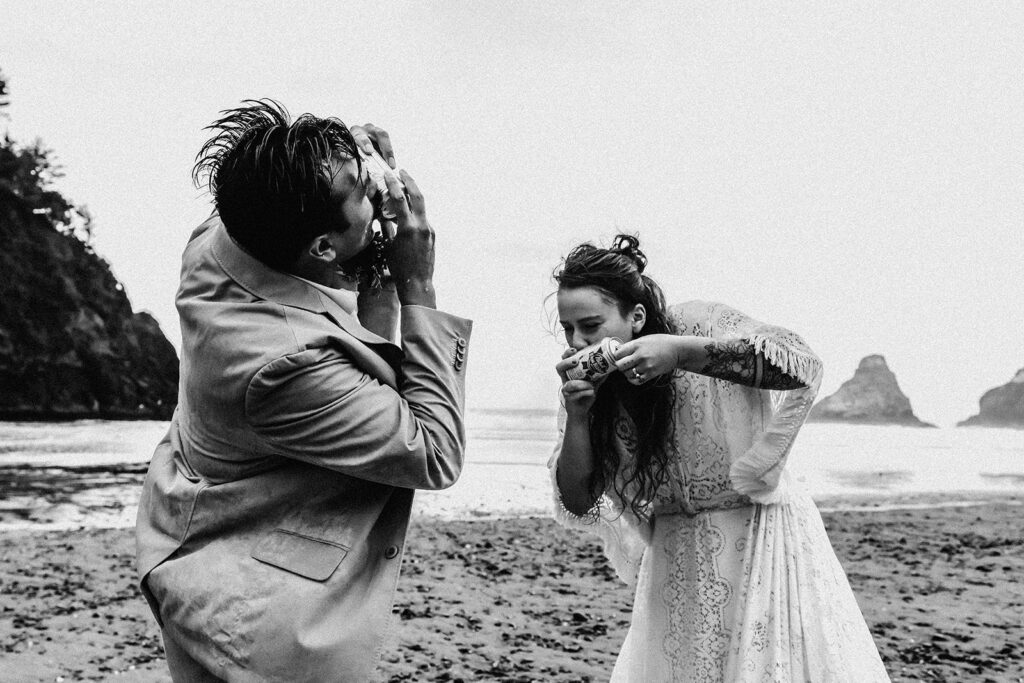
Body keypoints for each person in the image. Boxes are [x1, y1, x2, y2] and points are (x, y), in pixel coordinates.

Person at [135, 100, 472, 682]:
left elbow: (360, 342)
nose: (373, 180)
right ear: (320, 249)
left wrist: (353, 211)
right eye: (358, 187)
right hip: (255, 616)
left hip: (190, 530)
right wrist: (417, 283)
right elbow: (433, 452)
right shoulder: (280, 365)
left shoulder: (221, 238)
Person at [548, 234, 889, 682]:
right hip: (676, 562)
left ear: (636, 316)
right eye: (568, 329)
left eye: (590, 326)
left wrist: (680, 353)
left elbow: (798, 364)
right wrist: (578, 416)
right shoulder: (594, 393)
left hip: (763, 537)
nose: (577, 341)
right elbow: (578, 499)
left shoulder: (697, 322)